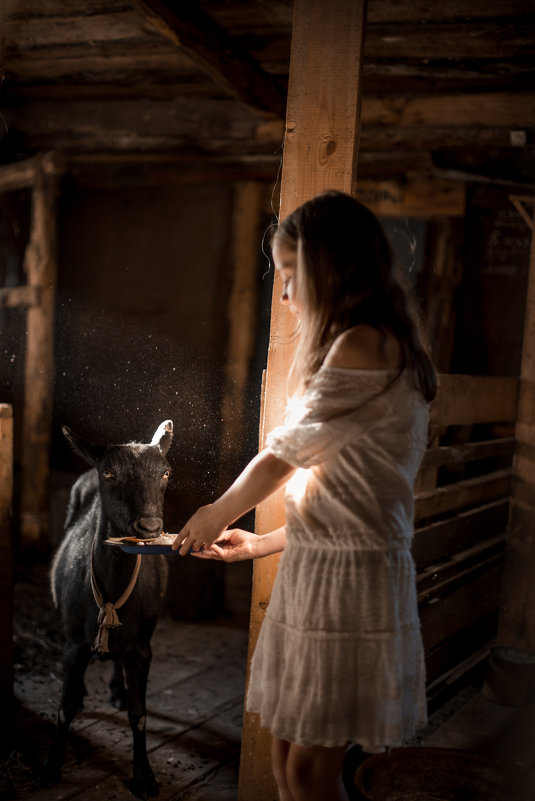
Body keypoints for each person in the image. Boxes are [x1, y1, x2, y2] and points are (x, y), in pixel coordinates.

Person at [172, 190, 438, 801]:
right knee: (291, 760)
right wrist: (260, 543)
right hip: (322, 568)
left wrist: (216, 512)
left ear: (331, 268)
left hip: (350, 584)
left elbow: (283, 458)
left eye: (291, 275)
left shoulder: (363, 345)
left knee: (310, 772)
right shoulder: (366, 347)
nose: (285, 295)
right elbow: (347, 502)